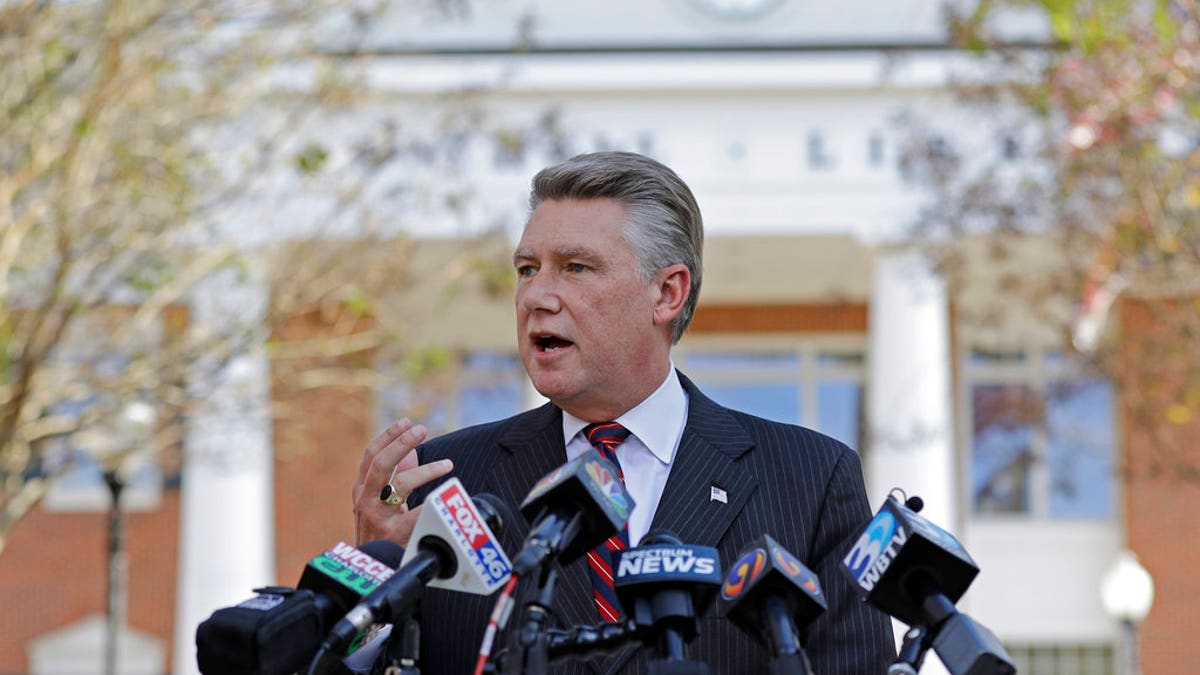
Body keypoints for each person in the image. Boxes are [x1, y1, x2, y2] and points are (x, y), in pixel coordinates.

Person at [352, 151, 895, 673]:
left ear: (666, 293)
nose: (536, 296)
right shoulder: (448, 483)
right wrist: (374, 584)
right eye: (526, 269)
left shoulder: (810, 480)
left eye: (576, 267)